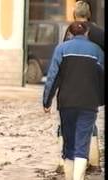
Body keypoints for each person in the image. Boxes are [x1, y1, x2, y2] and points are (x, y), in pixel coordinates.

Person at [43, 21, 104, 180]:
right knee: (82, 145)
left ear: (69, 33)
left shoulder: (61, 49)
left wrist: (47, 102)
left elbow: (52, 77)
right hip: (89, 104)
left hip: (66, 103)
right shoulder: (97, 51)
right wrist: (100, 100)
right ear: (86, 33)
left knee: (68, 143)